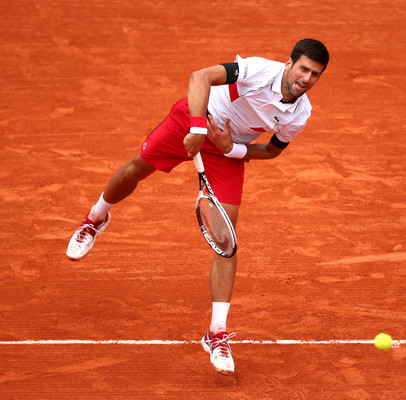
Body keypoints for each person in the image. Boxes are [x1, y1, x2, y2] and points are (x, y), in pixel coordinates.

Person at [66, 38, 329, 375]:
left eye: (315, 74)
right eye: (304, 68)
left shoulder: (300, 114)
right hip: (194, 119)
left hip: (227, 149)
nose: (307, 78)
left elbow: (272, 151)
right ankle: (95, 218)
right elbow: (199, 78)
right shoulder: (258, 70)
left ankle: (216, 333)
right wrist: (198, 128)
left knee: (226, 240)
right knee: (136, 168)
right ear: (289, 62)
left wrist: (229, 147)